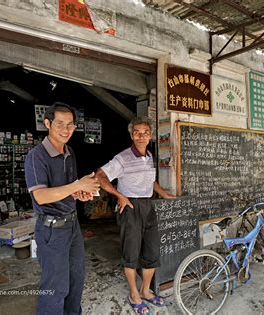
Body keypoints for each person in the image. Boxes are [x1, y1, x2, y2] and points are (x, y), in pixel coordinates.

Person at [24, 102, 100, 315]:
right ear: (47, 123)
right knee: (55, 287)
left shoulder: (70, 152)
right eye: (60, 124)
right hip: (51, 229)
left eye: (70, 125)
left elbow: (65, 189)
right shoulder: (36, 156)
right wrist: (77, 185)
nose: (66, 130)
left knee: (76, 279)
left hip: (72, 225)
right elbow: (40, 196)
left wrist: (79, 193)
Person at [95, 117, 174, 315]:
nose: (141, 136)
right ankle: (134, 294)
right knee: (131, 254)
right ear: (131, 135)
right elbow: (100, 176)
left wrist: (163, 193)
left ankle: (145, 291)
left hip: (148, 206)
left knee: (152, 252)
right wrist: (119, 196)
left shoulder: (149, 156)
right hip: (130, 206)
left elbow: (150, 180)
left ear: (151, 135)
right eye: (137, 132)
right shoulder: (122, 158)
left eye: (145, 132)